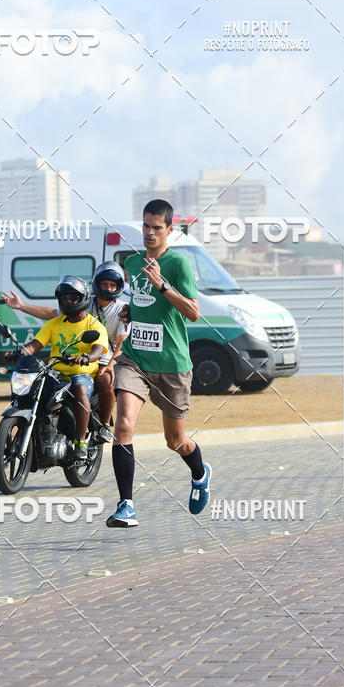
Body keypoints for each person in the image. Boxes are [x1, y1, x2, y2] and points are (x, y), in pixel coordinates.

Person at [106, 199, 211, 528]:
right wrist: (130, 311)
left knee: (175, 441)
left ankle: (199, 471)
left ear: (169, 230)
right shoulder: (134, 263)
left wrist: (162, 285)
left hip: (172, 364)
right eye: (146, 226)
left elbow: (193, 312)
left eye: (157, 228)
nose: (150, 233)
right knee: (123, 426)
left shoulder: (178, 264)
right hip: (135, 359)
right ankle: (126, 505)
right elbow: (141, 304)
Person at [2, 261, 128, 443]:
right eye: (104, 284)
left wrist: (109, 365)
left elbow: (121, 344)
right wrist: (21, 307)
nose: (108, 288)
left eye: (112, 285)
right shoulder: (82, 302)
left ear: (119, 287)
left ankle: (103, 426)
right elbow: (52, 315)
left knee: (105, 379)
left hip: (101, 357)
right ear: (97, 284)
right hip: (66, 359)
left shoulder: (123, 309)